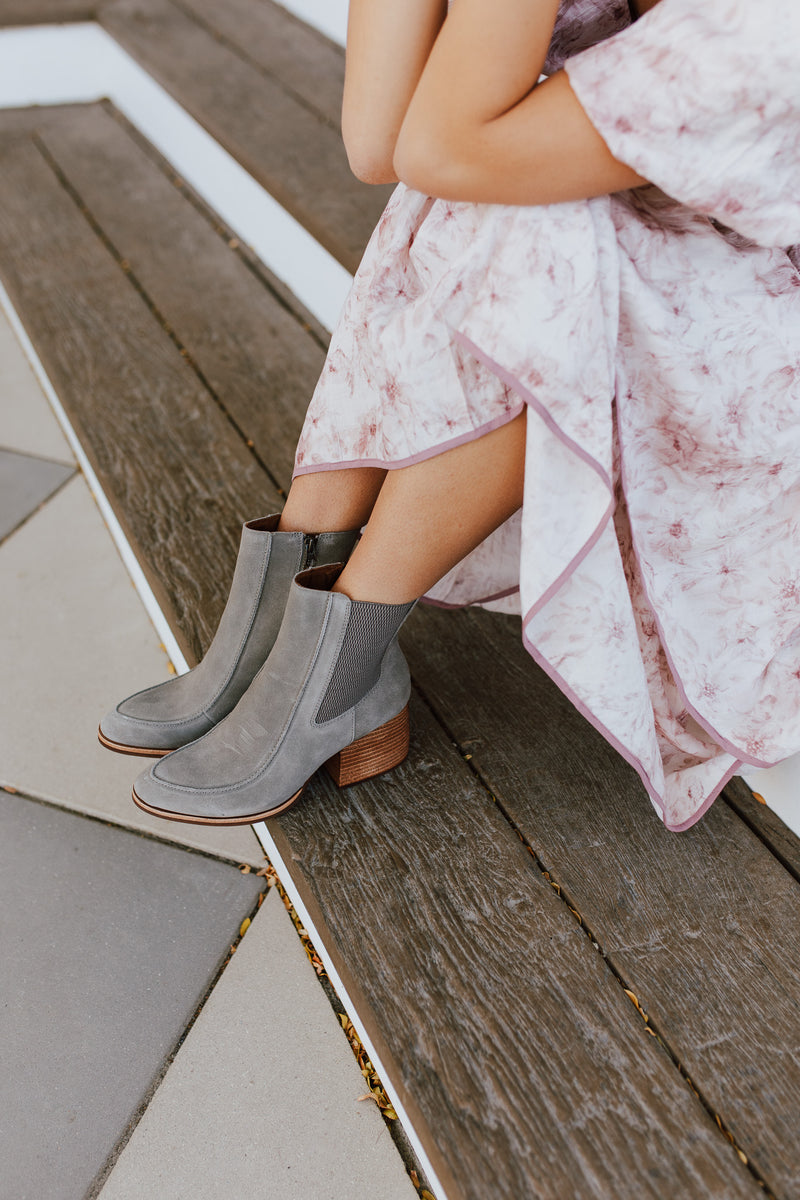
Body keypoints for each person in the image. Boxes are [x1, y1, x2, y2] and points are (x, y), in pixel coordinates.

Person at [99, 0, 800, 832]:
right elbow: (379, 142)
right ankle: (290, 638)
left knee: (541, 231)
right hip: (693, 272)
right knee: (501, 205)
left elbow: (441, 148)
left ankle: (331, 670)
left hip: (757, 330)